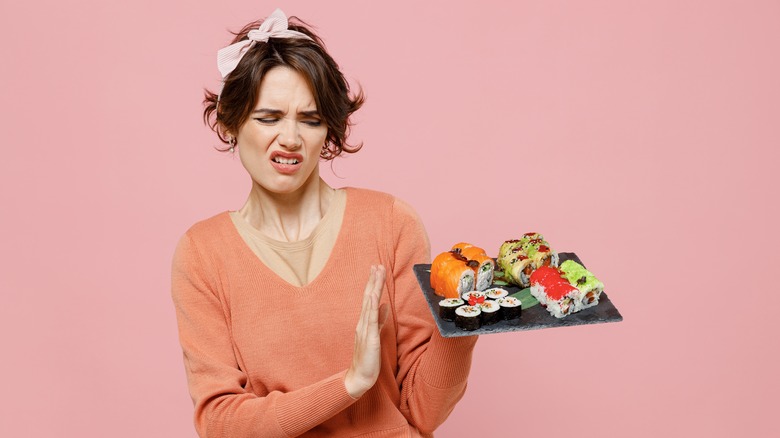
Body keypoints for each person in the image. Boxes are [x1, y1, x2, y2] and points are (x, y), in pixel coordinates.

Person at [171, 9, 478, 438]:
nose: (292, 138)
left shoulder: (391, 223)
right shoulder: (203, 253)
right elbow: (221, 423)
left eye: (310, 120)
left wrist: (464, 322)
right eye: (268, 117)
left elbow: (423, 412)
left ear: (329, 131)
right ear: (230, 123)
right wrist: (348, 384)